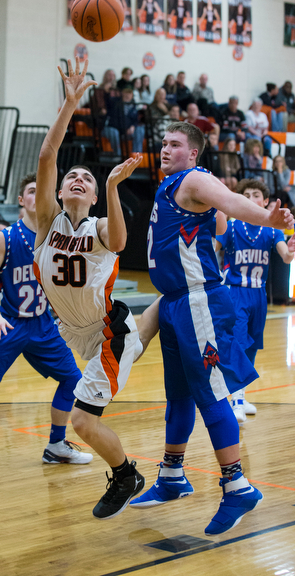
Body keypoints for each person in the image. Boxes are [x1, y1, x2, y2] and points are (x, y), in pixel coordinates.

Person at [129, 120, 293, 536]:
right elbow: (217, 223)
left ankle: (238, 486)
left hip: (199, 300)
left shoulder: (196, 179)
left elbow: (230, 201)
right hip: (173, 303)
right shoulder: (171, 186)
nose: (165, 150)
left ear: (193, 153)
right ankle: (171, 477)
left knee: (212, 394)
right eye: (164, 143)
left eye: (175, 144)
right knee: (178, 393)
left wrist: (267, 217)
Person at [34, 58, 146, 520]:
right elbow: (47, 156)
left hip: (106, 333)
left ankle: (126, 474)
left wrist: (117, 186)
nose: (77, 178)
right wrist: (71, 103)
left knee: (82, 419)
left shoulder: (100, 226)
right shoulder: (47, 223)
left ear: (95, 196)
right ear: (59, 193)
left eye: (87, 178)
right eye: (70, 178)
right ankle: (164, 315)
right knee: (80, 395)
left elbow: (120, 242)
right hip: (70, 331)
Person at [0, 173, 93, 465]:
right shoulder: (6, 237)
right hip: (9, 321)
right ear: (21, 201)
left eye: (42, 191)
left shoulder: (59, 237)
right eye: (31, 191)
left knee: (73, 380)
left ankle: (56, 445)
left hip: (42, 324)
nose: (37, 195)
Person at [216, 179, 295, 422]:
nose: (251, 199)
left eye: (256, 195)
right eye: (246, 196)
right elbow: (211, 249)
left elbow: (286, 257)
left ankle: (241, 393)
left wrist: (291, 250)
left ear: (266, 202)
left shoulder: (272, 231)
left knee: (251, 347)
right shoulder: (231, 227)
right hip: (236, 292)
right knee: (238, 344)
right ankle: (236, 399)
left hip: (259, 296)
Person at [102, 88, 145, 156]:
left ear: (132, 95)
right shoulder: (115, 103)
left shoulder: (133, 105)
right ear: (122, 94)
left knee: (140, 130)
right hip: (114, 128)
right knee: (114, 132)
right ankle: (118, 155)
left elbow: (136, 120)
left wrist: (133, 126)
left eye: (129, 93)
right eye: (126, 93)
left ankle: (136, 155)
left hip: (128, 130)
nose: (127, 95)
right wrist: (107, 93)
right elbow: (108, 102)